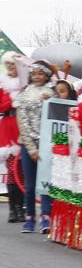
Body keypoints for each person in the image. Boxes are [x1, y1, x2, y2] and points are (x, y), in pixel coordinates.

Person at [15, 61, 55, 233]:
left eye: (41, 74)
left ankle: (46, 216)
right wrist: (31, 149)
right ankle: (30, 216)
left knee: (45, 182)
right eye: (35, 74)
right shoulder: (24, 95)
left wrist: (51, 100)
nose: (37, 77)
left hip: (47, 144)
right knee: (30, 185)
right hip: (28, 144)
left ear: (46, 76)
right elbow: (22, 123)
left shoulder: (52, 93)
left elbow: (55, 119)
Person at [1, 52, 25, 223]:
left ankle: (21, 207)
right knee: (11, 169)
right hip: (9, 126)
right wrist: (12, 101)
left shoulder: (25, 84)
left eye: (13, 64)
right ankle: (13, 208)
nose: (11, 67)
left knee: (23, 170)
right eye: (8, 64)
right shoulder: (3, 84)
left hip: (23, 126)